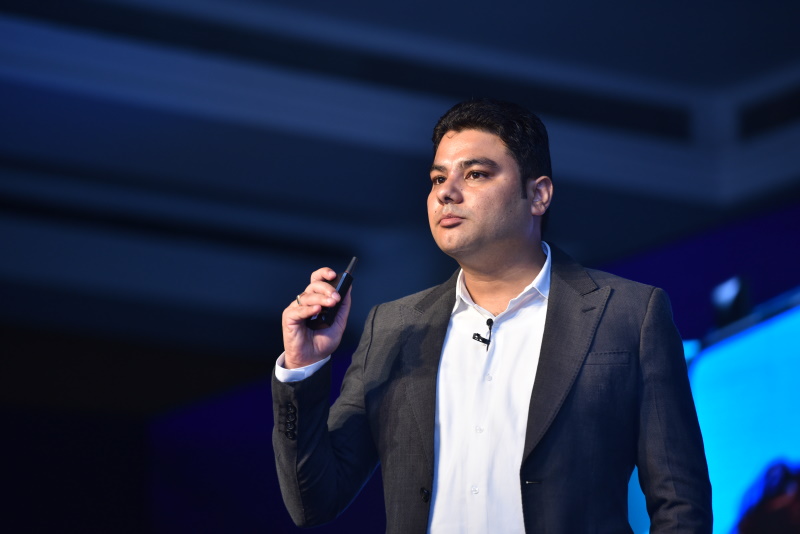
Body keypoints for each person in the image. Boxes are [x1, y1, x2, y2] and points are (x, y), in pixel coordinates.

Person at [273, 99, 712, 533]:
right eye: (438, 178)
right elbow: (314, 501)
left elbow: (680, 504)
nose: (446, 192)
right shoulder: (393, 327)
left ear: (538, 195)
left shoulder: (628, 315)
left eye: (476, 174)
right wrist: (302, 366)